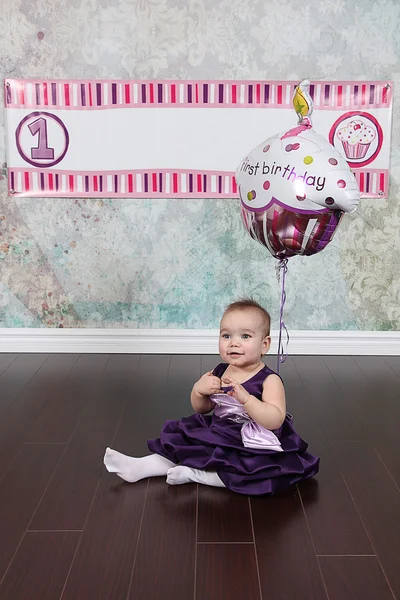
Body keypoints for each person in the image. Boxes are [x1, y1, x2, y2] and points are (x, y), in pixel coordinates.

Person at [104, 298, 319, 495]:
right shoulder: (220, 370)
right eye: (226, 335)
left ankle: (198, 475)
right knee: (185, 447)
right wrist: (199, 390)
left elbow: (275, 419)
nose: (234, 343)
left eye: (245, 336)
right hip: (220, 431)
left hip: (253, 442)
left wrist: (247, 399)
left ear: (264, 344)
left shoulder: (269, 380)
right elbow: (202, 408)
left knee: (249, 470)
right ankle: (139, 467)